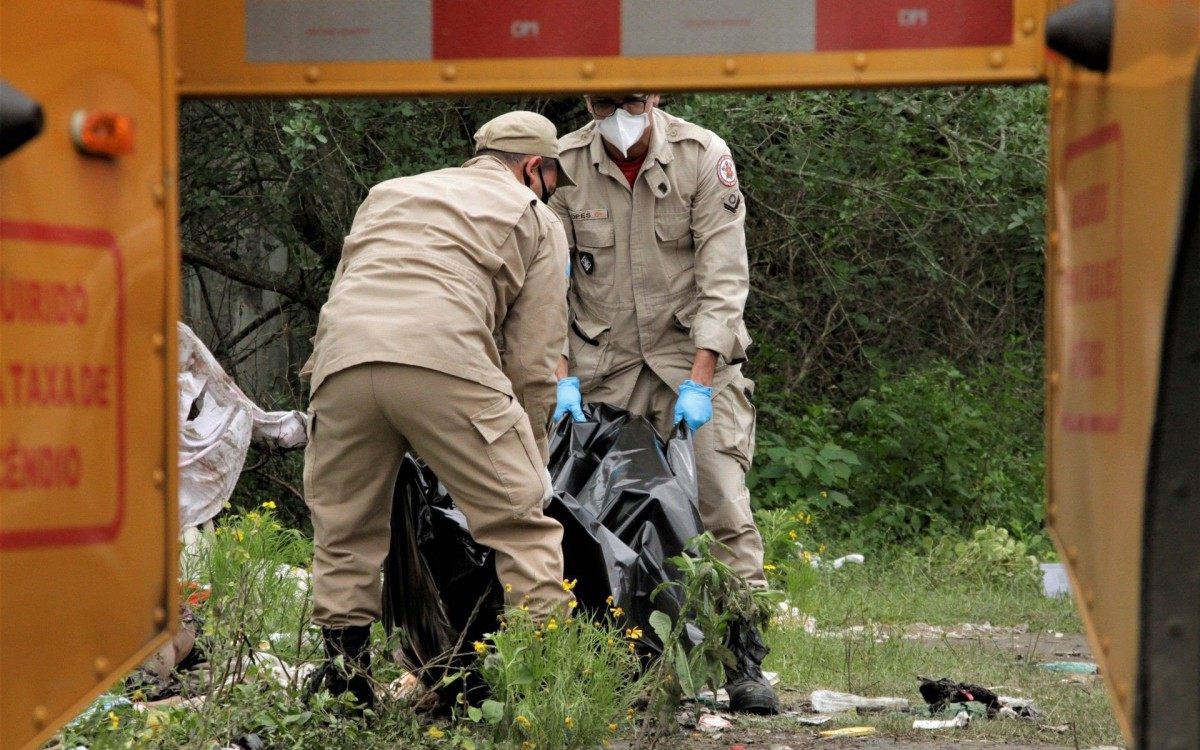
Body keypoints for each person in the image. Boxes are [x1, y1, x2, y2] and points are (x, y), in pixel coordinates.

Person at [302, 111, 575, 709]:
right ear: (535, 167)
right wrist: (530, 456)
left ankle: (345, 685)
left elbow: (347, 286)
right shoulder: (534, 216)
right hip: (444, 359)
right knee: (521, 526)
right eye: (554, 178)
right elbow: (533, 359)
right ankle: (538, 689)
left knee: (345, 530)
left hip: (342, 362)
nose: (553, 191)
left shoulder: (389, 193)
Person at [549, 95, 779, 713]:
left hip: (692, 363)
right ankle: (619, 661)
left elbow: (723, 277)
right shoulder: (565, 164)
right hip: (604, 371)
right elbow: (548, 287)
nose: (619, 112)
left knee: (720, 502)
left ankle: (743, 660)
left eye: (631, 98)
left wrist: (701, 380)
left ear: (654, 96)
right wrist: (561, 379)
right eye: (605, 100)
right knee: (594, 517)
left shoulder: (701, 156)